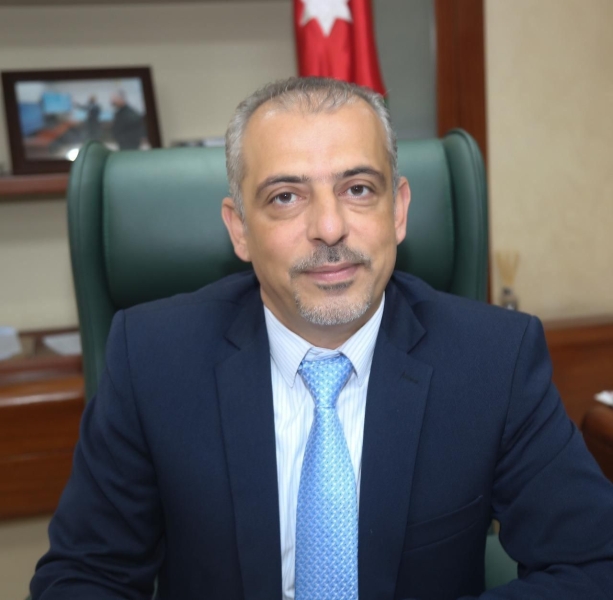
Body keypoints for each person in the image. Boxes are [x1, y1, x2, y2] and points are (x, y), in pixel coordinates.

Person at [31, 78, 613, 600]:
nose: (330, 228)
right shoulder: (152, 358)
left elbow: (594, 564)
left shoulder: (494, 360)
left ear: (399, 211)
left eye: (358, 189)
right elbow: (84, 577)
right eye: (286, 197)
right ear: (239, 229)